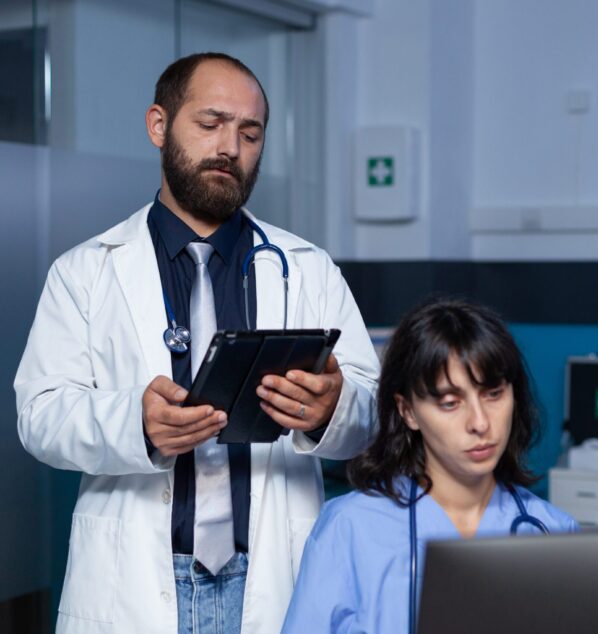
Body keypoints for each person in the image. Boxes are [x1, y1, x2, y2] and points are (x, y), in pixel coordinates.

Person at [14, 52, 379, 634]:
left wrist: (332, 409)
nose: (230, 147)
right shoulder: (83, 273)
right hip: (134, 578)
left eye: (249, 132)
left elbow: (374, 410)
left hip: (272, 574)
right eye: (210, 124)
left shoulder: (308, 270)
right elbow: (38, 416)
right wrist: (134, 423)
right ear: (159, 125)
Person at [282, 299, 579, 634]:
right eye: (451, 403)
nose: (480, 423)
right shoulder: (349, 529)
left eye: (494, 394)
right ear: (407, 411)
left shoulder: (551, 531)